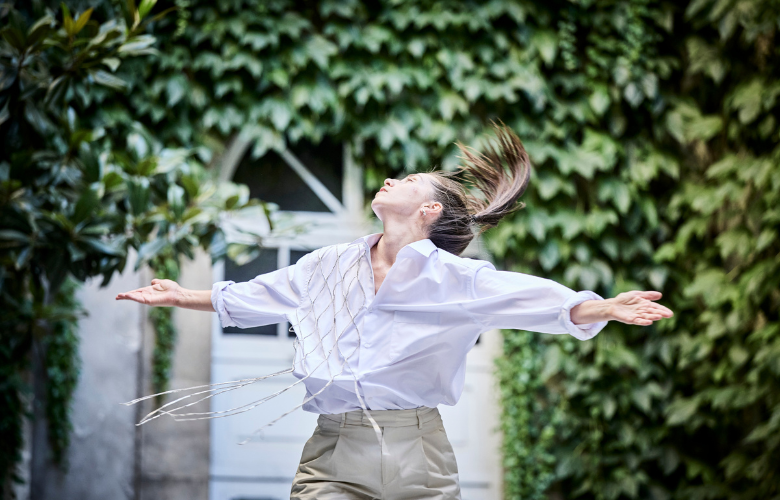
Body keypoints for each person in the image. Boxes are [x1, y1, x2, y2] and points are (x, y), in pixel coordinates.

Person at [116, 123, 674, 500]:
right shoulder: (330, 263)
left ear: (428, 209)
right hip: (335, 449)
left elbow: (533, 299)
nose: (390, 179)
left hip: (420, 454)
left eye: (406, 181)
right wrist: (180, 295)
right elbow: (263, 294)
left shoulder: (458, 279)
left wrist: (602, 307)